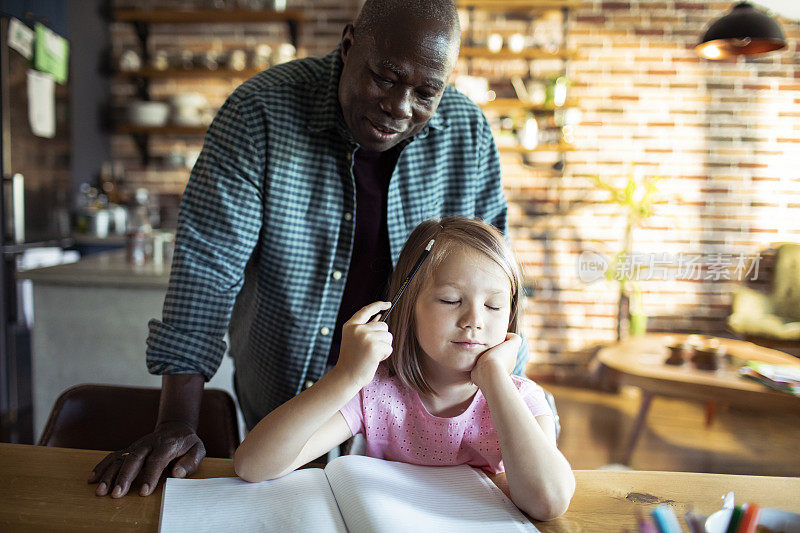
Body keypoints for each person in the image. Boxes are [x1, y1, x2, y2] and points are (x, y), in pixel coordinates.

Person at [88, 0, 532, 499]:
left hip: (415, 414)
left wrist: (507, 407)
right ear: (348, 46)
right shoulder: (259, 114)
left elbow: (501, 285)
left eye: (426, 92)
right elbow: (207, 272)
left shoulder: (466, 136)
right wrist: (176, 421)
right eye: (385, 78)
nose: (400, 107)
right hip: (284, 394)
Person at [234, 217, 575, 521]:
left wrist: (495, 379)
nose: (474, 321)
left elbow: (549, 502)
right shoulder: (376, 393)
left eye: (493, 305)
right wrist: (346, 376)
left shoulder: (521, 399)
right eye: (450, 300)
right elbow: (253, 465)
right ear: (409, 307)